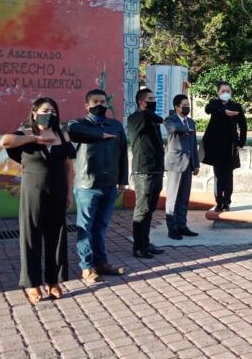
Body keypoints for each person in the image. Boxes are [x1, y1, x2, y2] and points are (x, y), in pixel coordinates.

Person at [1, 97, 75, 304]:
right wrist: (34, 139)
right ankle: (32, 284)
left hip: (58, 192)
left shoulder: (63, 135)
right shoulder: (24, 135)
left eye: (53, 111)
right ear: (34, 113)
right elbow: (4, 141)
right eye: (44, 110)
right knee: (31, 238)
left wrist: (69, 193)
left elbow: (69, 168)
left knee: (56, 238)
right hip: (33, 193)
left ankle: (54, 281)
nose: (49, 114)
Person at [68, 89, 129, 284]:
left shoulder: (116, 125)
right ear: (86, 105)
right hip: (87, 184)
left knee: (101, 226)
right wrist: (101, 135)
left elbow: (122, 154)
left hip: (110, 184)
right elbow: (73, 133)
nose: (100, 105)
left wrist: (123, 180)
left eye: (103, 102)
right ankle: (87, 266)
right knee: (85, 226)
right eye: (95, 102)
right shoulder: (77, 124)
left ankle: (101, 263)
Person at [126, 88, 165, 259]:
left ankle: (146, 242)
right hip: (143, 171)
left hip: (156, 169)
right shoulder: (136, 117)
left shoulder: (151, 119)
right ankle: (138, 247)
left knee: (150, 209)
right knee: (142, 209)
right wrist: (148, 112)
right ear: (141, 102)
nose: (153, 101)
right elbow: (153, 117)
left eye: (154, 98)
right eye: (150, 98)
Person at [203, 81, 248, 212]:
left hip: (231, 146)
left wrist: (241, 142)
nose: (225, 93)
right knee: (218, 175)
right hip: (216, 145)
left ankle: (227, 201)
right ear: (218, 93)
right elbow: (208, 109)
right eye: (222, 91)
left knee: (228, 175)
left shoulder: (236, 106)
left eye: (228, 91)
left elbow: (243, 125)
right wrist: (224, 111)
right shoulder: (214, 104)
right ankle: (218, 202)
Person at [164, 94, 200, 239]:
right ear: (176, 107)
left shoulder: (190, 122)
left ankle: (182, 225)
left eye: (188, 104)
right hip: (175, 163)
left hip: (188, 164)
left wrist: (196, 163)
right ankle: (172, 228)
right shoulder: (170, 120)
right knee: (173, 197)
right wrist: (185, 128)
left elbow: (193, 143)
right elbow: (173, 128)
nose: (187, 107)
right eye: (184, 105)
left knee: (184, 197)